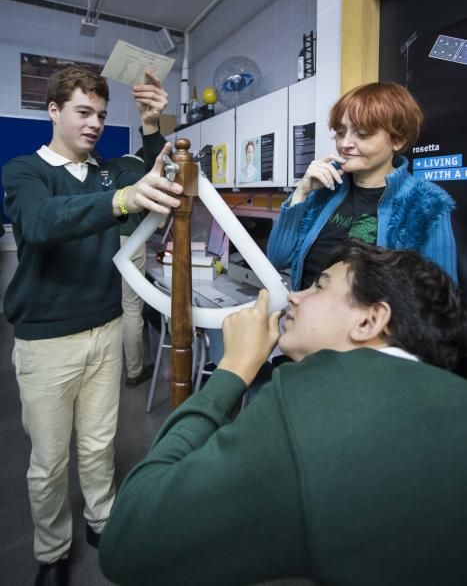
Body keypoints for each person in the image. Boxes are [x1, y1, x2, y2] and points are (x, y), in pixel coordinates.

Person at [99, 241, 467, 586]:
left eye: (319, 287)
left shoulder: (309, 406)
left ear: (370, 321)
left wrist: (232, 371)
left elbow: (129, 538)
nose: (295, 296)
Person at [2, 66, 183, 586]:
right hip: (47, 341)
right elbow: (40, 222)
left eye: (102, 115)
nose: (94, 123)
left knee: (100, 442)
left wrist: (152, 126)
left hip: (104, 330)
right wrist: (121, 202)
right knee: (49, 460)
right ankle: (52, 550)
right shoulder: (24, 171)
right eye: (83, 112)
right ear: (54, 111)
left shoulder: (109, 171)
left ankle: (102, 518)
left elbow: (148, 168)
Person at [267, 82, 458, 289]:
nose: (345, 144)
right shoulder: (323, 190)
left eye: (363, 134)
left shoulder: (426, 204)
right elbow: (278, 258)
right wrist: (302, 192)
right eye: (341, 132)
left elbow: (439, 302)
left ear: (398, 140)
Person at [113, 150, 154, 388]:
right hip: (132, 242)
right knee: (131, 307)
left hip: (104, 239)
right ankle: (134, 371)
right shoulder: (145, 173)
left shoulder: (111, 165)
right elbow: (158, 216)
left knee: (113, 304)